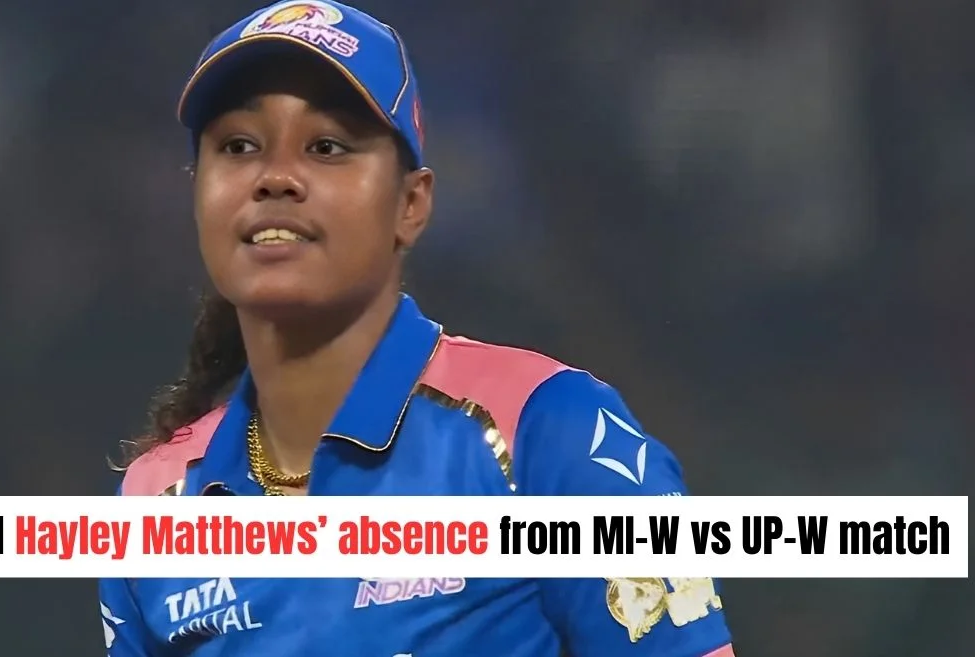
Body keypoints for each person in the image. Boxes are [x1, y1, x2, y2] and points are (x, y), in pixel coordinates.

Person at [99, 1, 736, 655]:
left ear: (411, 203)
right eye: (238, 146)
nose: (276, 178)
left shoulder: (549, 430)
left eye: (326, 146)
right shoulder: (153, 499)